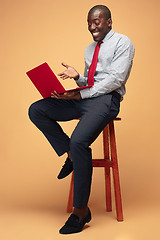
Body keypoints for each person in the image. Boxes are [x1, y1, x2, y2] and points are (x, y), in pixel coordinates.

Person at [28, 5, 135, 234]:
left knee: (79, 142)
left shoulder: (123, 43)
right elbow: (92, 82)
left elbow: (115, 79)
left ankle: (80, 211)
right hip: (87, 98)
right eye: (89, 23)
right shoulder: (89, 49)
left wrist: (81, 93)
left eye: (97, 22)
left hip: (107, 101)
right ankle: (70, 155)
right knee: (37, 110)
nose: (92, 27)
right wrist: (79, 78)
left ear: (109, 22)